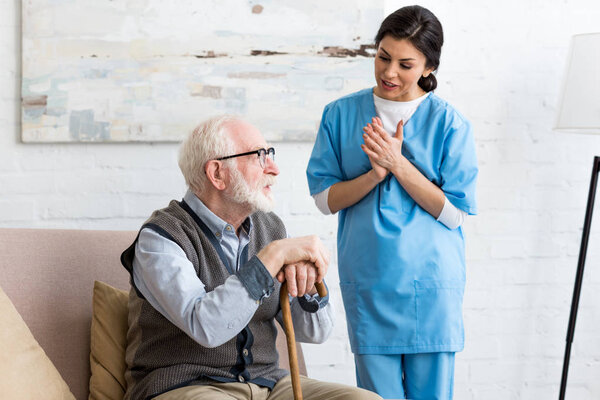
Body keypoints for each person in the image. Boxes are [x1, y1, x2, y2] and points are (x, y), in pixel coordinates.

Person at [120, 115, 381, 400]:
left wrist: (308, 284)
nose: (274, 168)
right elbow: (206, 326)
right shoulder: (160, 238)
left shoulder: (271, 229)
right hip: (187, 385)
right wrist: (271, 257)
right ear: (217, 173)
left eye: (270, 154)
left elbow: (315, 332)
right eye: (259, 156)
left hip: (269, 385)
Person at [306, 5, 478, 400]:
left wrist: (398, 165)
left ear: (428, 68)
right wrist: (374, 175)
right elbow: (324, 200)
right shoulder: (339, 115)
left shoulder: (451, 124)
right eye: (383, 57)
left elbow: (454, 214)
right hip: (370, 281)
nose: (389, 73)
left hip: (431, 285)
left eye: (405, 64)